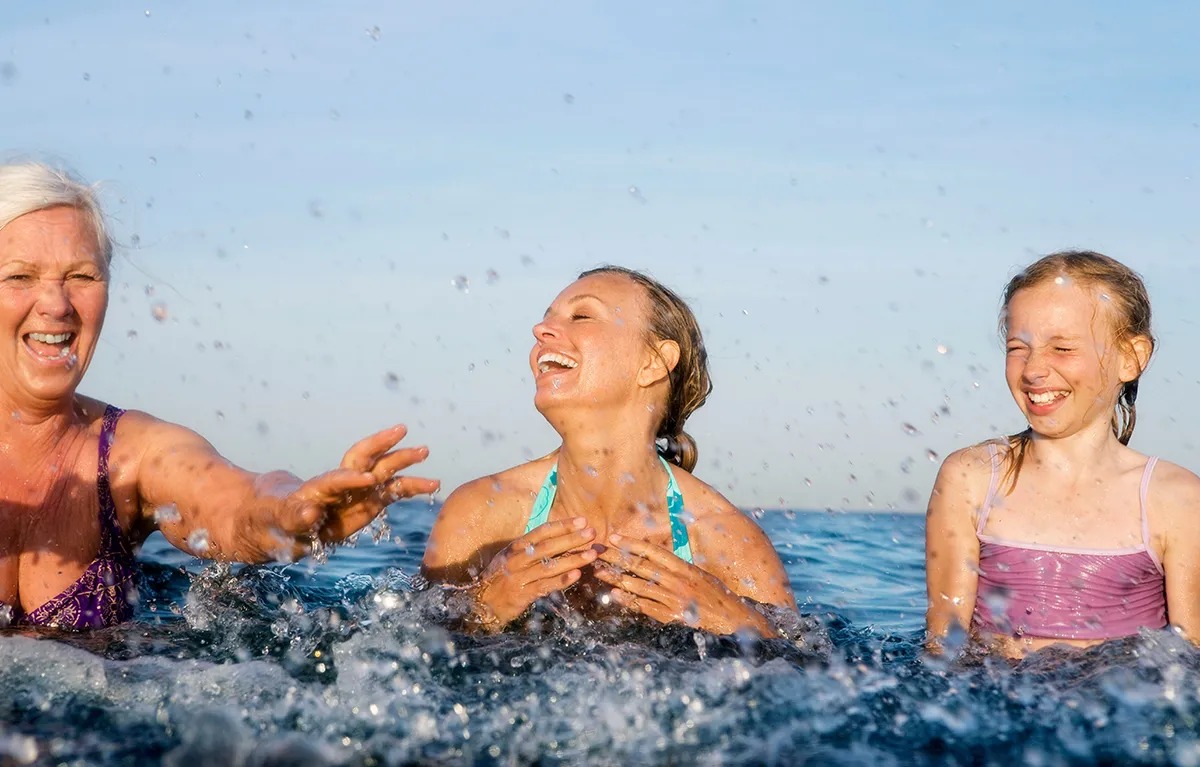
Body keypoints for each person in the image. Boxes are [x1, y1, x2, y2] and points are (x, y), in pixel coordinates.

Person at [0, 161, 438, 629]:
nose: (57, 305)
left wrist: (289, 513)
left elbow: (233, 501)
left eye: (82, 277)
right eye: (19, 277)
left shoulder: (131, 452)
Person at [422, 265, 796, 637]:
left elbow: (803, 671)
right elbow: (417, 649)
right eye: (546, 320)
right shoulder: (481, 513)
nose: (539, 331)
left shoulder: (726, 540)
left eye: (582, 315)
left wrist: (739, 624)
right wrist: (485, 608)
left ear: (653, 362)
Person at [925, 251, 1200, 656]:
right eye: (1019, 347)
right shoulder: (972, 478)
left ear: (1130, 358)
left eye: (1062, 349)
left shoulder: (1174, 498)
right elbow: (941, 652)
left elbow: (1190, 658)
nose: (1034, 369)